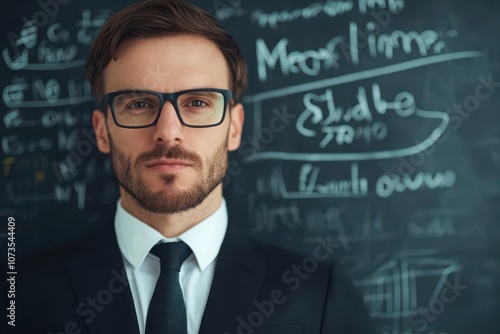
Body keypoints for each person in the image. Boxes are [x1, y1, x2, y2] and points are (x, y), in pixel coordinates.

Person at [5, 1, 373, 333]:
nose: (168, 133)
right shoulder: (18, 295)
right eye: (138, 104)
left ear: (234, 127)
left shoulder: (322, 294)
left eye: (198, 102)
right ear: (102, 131)